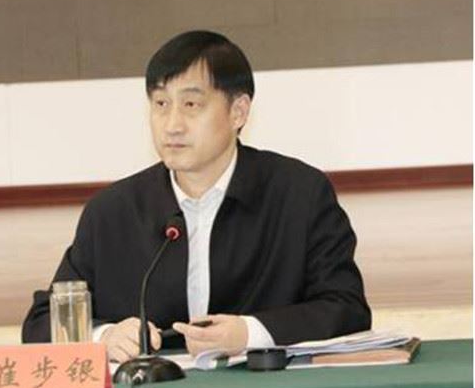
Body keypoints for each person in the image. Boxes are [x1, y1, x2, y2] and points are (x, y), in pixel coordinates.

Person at [22, 30, 371, 363]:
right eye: (161, 103)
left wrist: (249, 333)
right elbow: (42, 320)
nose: (172, 124)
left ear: (238, 112)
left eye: (191, 104)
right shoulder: (112, 212)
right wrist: (104, 336)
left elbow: (347, 309)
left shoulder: (299, 194)